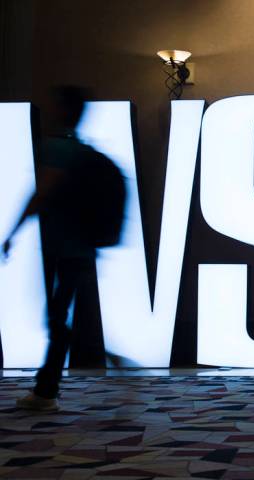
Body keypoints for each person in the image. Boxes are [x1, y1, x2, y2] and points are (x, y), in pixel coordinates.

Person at [3, 86, 124, 411]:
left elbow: (41, 194)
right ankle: (65, 377)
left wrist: (13, 232)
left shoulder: (55, 149)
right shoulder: (81, 150)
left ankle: (46, 390)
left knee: (56, 317)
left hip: (60, 246)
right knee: (61, 314)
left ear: (62, 109)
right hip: (82, 247)